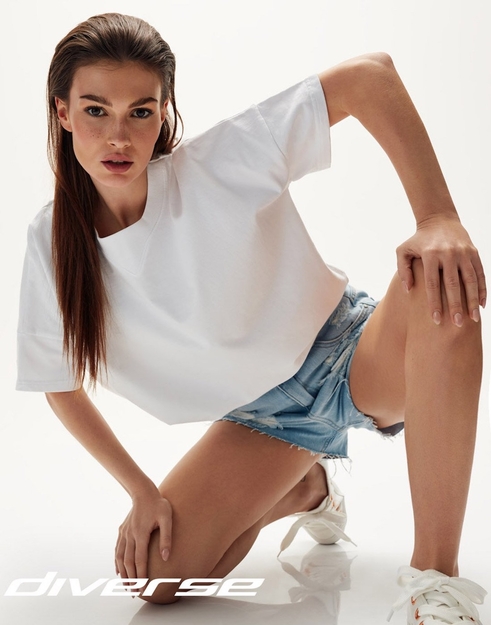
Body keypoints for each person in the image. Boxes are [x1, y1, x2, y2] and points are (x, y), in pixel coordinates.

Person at [16, 12, 487, 624]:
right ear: (62, 112)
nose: (119, 137)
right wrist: (141, 490)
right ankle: (308, 487)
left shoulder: (216, 165)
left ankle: (434, 582)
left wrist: (437, 218)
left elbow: (369, 77)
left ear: (164, 112)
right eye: (96, 110)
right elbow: (58, 384)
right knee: (157, 575)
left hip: (352, 358)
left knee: (442, 279)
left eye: (141, 111)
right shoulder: (52, 241)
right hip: (262, 419)